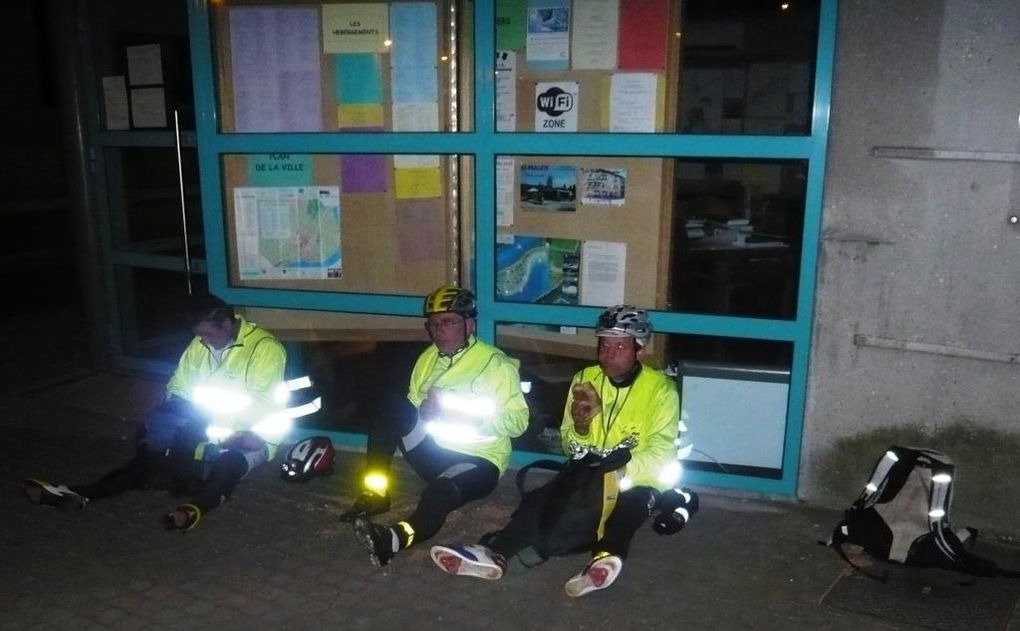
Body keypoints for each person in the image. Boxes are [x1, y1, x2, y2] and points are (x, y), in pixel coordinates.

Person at [429, 305, 681, 597]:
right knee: (541, 501)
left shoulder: (661, 389)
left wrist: (617, 472)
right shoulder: (586, 379)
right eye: (604, 344)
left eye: (619, 345)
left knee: (627, 508)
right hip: (591, 471)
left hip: (639, 477)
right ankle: (494, 551)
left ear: (639, 349)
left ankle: (606, 557)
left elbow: (661, 450)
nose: (608, 353)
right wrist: (581, 427)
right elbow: (570, 446)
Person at [21, 294, 287, 531]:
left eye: (208, 335)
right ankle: (79, 493)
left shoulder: (265, 349)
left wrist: (205, 426)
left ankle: (197, 508)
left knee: (229, 464)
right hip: (202, 429)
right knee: (149, 459)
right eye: (200, 335)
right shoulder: (200, 344)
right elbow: (179, 383)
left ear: (227, 325)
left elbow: (261, 404)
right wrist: (176, 413)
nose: (204, 341)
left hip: (252, 435)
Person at [342, 285, 529, 567]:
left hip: (478, 462)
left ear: (469, 324)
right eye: (433, 324)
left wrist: (463, 416)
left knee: (438, 493)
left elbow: (518, 424)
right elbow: (412, 407)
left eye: (448, 322)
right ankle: (377, 493)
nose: (438, 331)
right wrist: (424, 412)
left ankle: (393, 539)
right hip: (434, 451)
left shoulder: (496, 366)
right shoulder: (429, 358)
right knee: (393, 407)